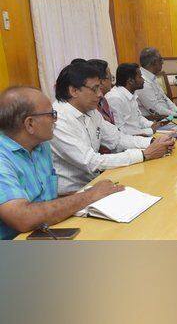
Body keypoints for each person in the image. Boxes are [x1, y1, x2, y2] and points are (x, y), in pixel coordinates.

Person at [0, 86, 124, 240]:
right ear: (30, 124)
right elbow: (23, 218)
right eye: (51, 114)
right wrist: (90, 195)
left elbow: (43, 200)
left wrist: (95, 193)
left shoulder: (41, 145)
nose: (56, 119)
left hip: (45, 233)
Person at [50, 62, 175, 195]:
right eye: (95, 89)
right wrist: (144, 154)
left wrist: (153, 142)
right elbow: (91, 162)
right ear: (74, 91)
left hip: (97, 182)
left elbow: (117, 139)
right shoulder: (58, 119)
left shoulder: (90, 111)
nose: (100, 94)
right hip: (72, 194)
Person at [106, 63, 165, 136]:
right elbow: (120, 131)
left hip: (139, 135)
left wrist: (152, 124)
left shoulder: (131, 93)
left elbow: (138, 118)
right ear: (130, 81)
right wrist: (150, 130)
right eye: (140, 77)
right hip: (130, 140)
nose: (143, 80)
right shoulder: (115, 98)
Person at [136, 47, 177, 118]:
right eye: (160, 59)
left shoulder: (152, 77)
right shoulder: (142, 82)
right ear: (154, 62)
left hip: (170, 116)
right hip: (158, 120)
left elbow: (165, 98)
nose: (162, 62)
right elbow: (155, 109)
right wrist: (176, 115)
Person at [86, 59, 115, 125]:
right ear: (101, 81)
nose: (112, 82)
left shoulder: (103, 100)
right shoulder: (89, 105)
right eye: (110, 77)